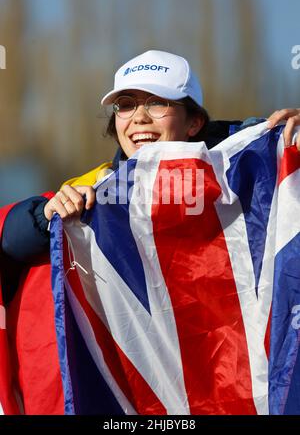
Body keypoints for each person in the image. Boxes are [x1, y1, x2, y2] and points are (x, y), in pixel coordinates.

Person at [0, 49, 300, 414]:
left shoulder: (253, 171)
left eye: (157, 103)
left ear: (193, 122)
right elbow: (11, 238)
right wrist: (45, 213)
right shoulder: (98, 188)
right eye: (125, 105)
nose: (139, 117)